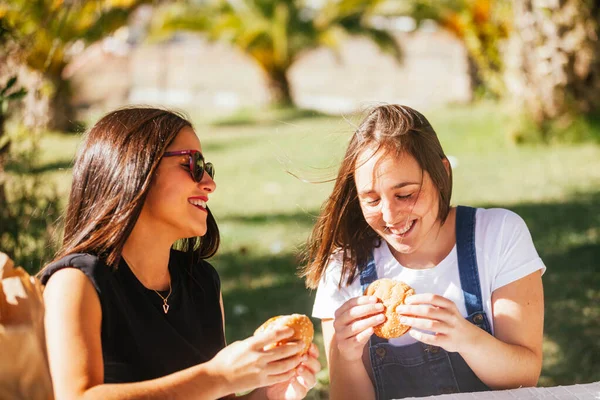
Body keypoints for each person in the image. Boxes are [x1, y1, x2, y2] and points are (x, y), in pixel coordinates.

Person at [39, 107, 320, 400]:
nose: (209, 184)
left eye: (207, 168)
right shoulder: (76, 282)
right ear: (136, 166)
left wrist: (268, 394)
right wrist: (218, 376)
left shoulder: (201, 281)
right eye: (194, 164)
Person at [301, 105, 545, 400]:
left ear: (441, 172)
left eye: (405, 194)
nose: (390, 216)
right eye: (372, 199)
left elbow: (525, 376)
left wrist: (465, 338)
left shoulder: (498, 235)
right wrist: (348, 356)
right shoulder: (345, 264)